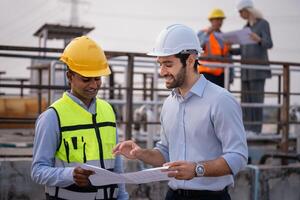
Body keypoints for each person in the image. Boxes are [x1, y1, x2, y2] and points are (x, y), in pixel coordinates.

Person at [113, 24, 248, 200]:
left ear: (190, 60)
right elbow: (166, 154)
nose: (162, 72)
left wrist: (197, 169)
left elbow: (238, 156)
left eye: (168, 64)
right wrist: (140, 153)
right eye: (160, 64)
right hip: (173, 195)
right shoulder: (169, 104)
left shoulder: (221, 100)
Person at [31, 36, 128, 200]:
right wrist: (70, 175)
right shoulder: (52, 117)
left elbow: (116, 164)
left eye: (97, 78)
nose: (93, 85)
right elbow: (38, 171)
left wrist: (122, 196)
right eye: (86, 79)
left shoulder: (108, 110)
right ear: (69, 76)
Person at [235, 0, 273, 133]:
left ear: (248, 10)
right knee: (246, 102)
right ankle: (247, 130)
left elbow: (269, 44)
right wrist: (228, 47)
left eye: (241, 12)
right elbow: (241, 50)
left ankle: (256, 130)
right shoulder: (245, 28)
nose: (240, 15)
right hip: (245, 71)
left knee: (256, 101)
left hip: (258, 70)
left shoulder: (263, 24)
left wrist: (259, 39)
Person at [197, 8, 233, 87]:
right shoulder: (203, 33)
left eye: (221, 20)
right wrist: (207, 35)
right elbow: (198, 47)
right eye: (217, 19)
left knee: (220, 98)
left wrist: (231, 75)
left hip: (222, 74)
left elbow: (228, 56)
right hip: (207, 74)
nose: (219, 22)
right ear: (211, 20)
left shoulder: (224, 37)